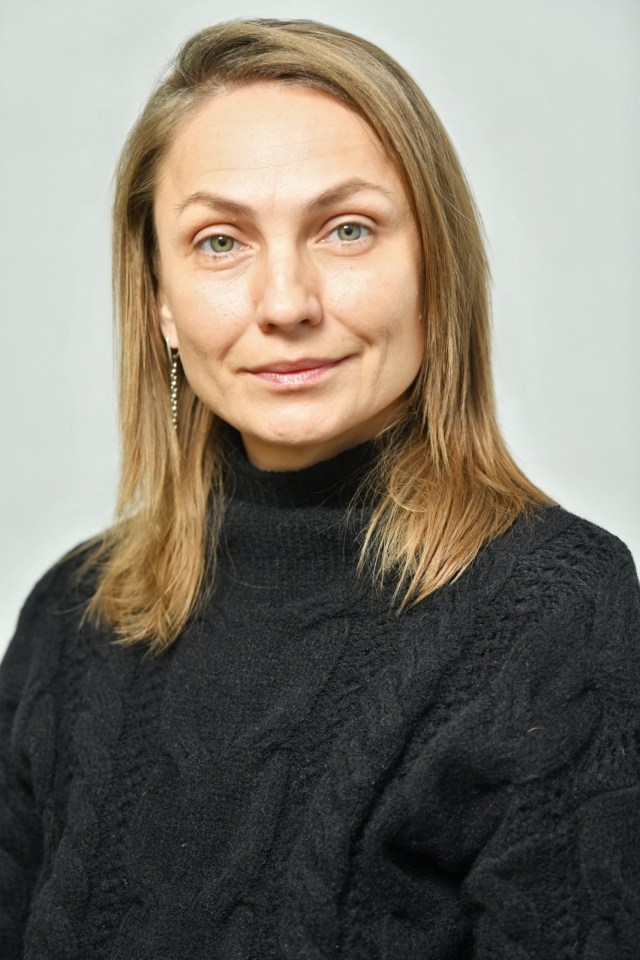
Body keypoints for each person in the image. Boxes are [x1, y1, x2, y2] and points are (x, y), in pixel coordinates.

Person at [1, 17, 638, 959]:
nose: (287, 304)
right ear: (162, 301)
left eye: (347, 230)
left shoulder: (556, 612)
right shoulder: (72, 617)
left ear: (435, 266)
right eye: (220, 241)